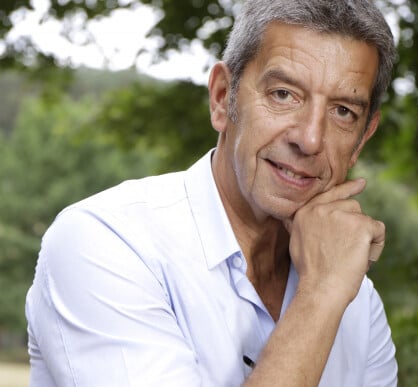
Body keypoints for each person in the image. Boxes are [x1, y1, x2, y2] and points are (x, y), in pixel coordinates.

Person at [25, 0, 398, 385]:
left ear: (361, 139)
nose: (310, 138)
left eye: (343, 112)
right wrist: (319, 296)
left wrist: (330, 288)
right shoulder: (105, 242)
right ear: (223, 98)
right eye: (284, 94)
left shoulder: (358, 303)